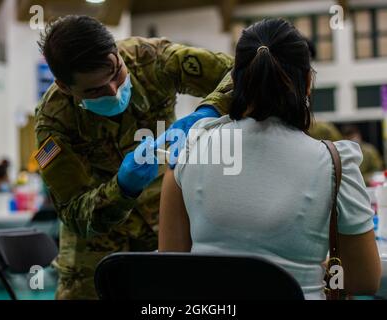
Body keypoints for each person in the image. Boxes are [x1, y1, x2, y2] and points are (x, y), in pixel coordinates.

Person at [159, 18, 381, 299]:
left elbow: (170, 269)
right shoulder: (335, 164)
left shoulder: (190, 149)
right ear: (309, 82)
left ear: (235, 81)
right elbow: (365, 279)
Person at [34, 15, 233, 299]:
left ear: (116, 52)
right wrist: (122, 188)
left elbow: (246, 73)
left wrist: (210, 110)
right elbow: (74, 214)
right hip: (96, 245)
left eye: (116, 73)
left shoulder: (150, 59)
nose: (113, 91)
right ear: (65, 87)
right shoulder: (54, 123)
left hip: (163, 221)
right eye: (95, 90)